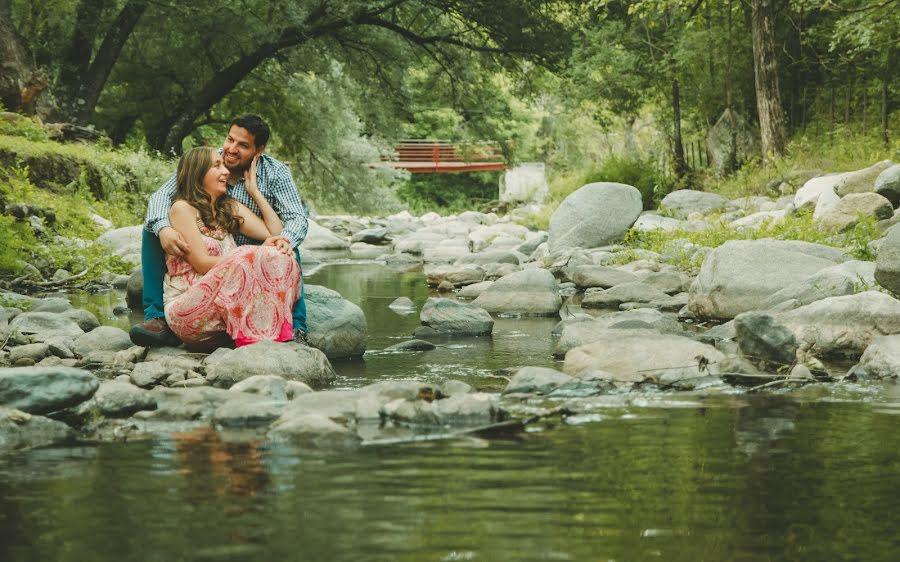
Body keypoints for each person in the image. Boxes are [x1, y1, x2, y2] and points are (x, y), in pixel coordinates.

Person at [130, 114, 310, 347]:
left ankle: (297, 328)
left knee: (285, 248)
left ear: (259, 150)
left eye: (243, 145)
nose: (231, 150)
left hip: (250, 247)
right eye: (230, 139)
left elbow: (295, 219)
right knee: (152, 228)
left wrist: (256, 194)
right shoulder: (208, 161)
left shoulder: (275, 172)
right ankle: (156, 317)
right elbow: (161, 197)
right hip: (214, 252)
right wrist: (163, 228)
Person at [159, 146, 299, 348]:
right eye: (217, 166)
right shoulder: (183, 209)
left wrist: (255, 192)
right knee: (250, 255)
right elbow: (201, 263)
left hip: (224, 311)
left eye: (223, 165)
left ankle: (268, 335)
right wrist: (249, 255)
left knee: (282, 254)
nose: (225, 171)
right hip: (188, 311)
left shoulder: (228, 208)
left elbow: (274, 233)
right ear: (197, 172)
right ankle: (254, 337)